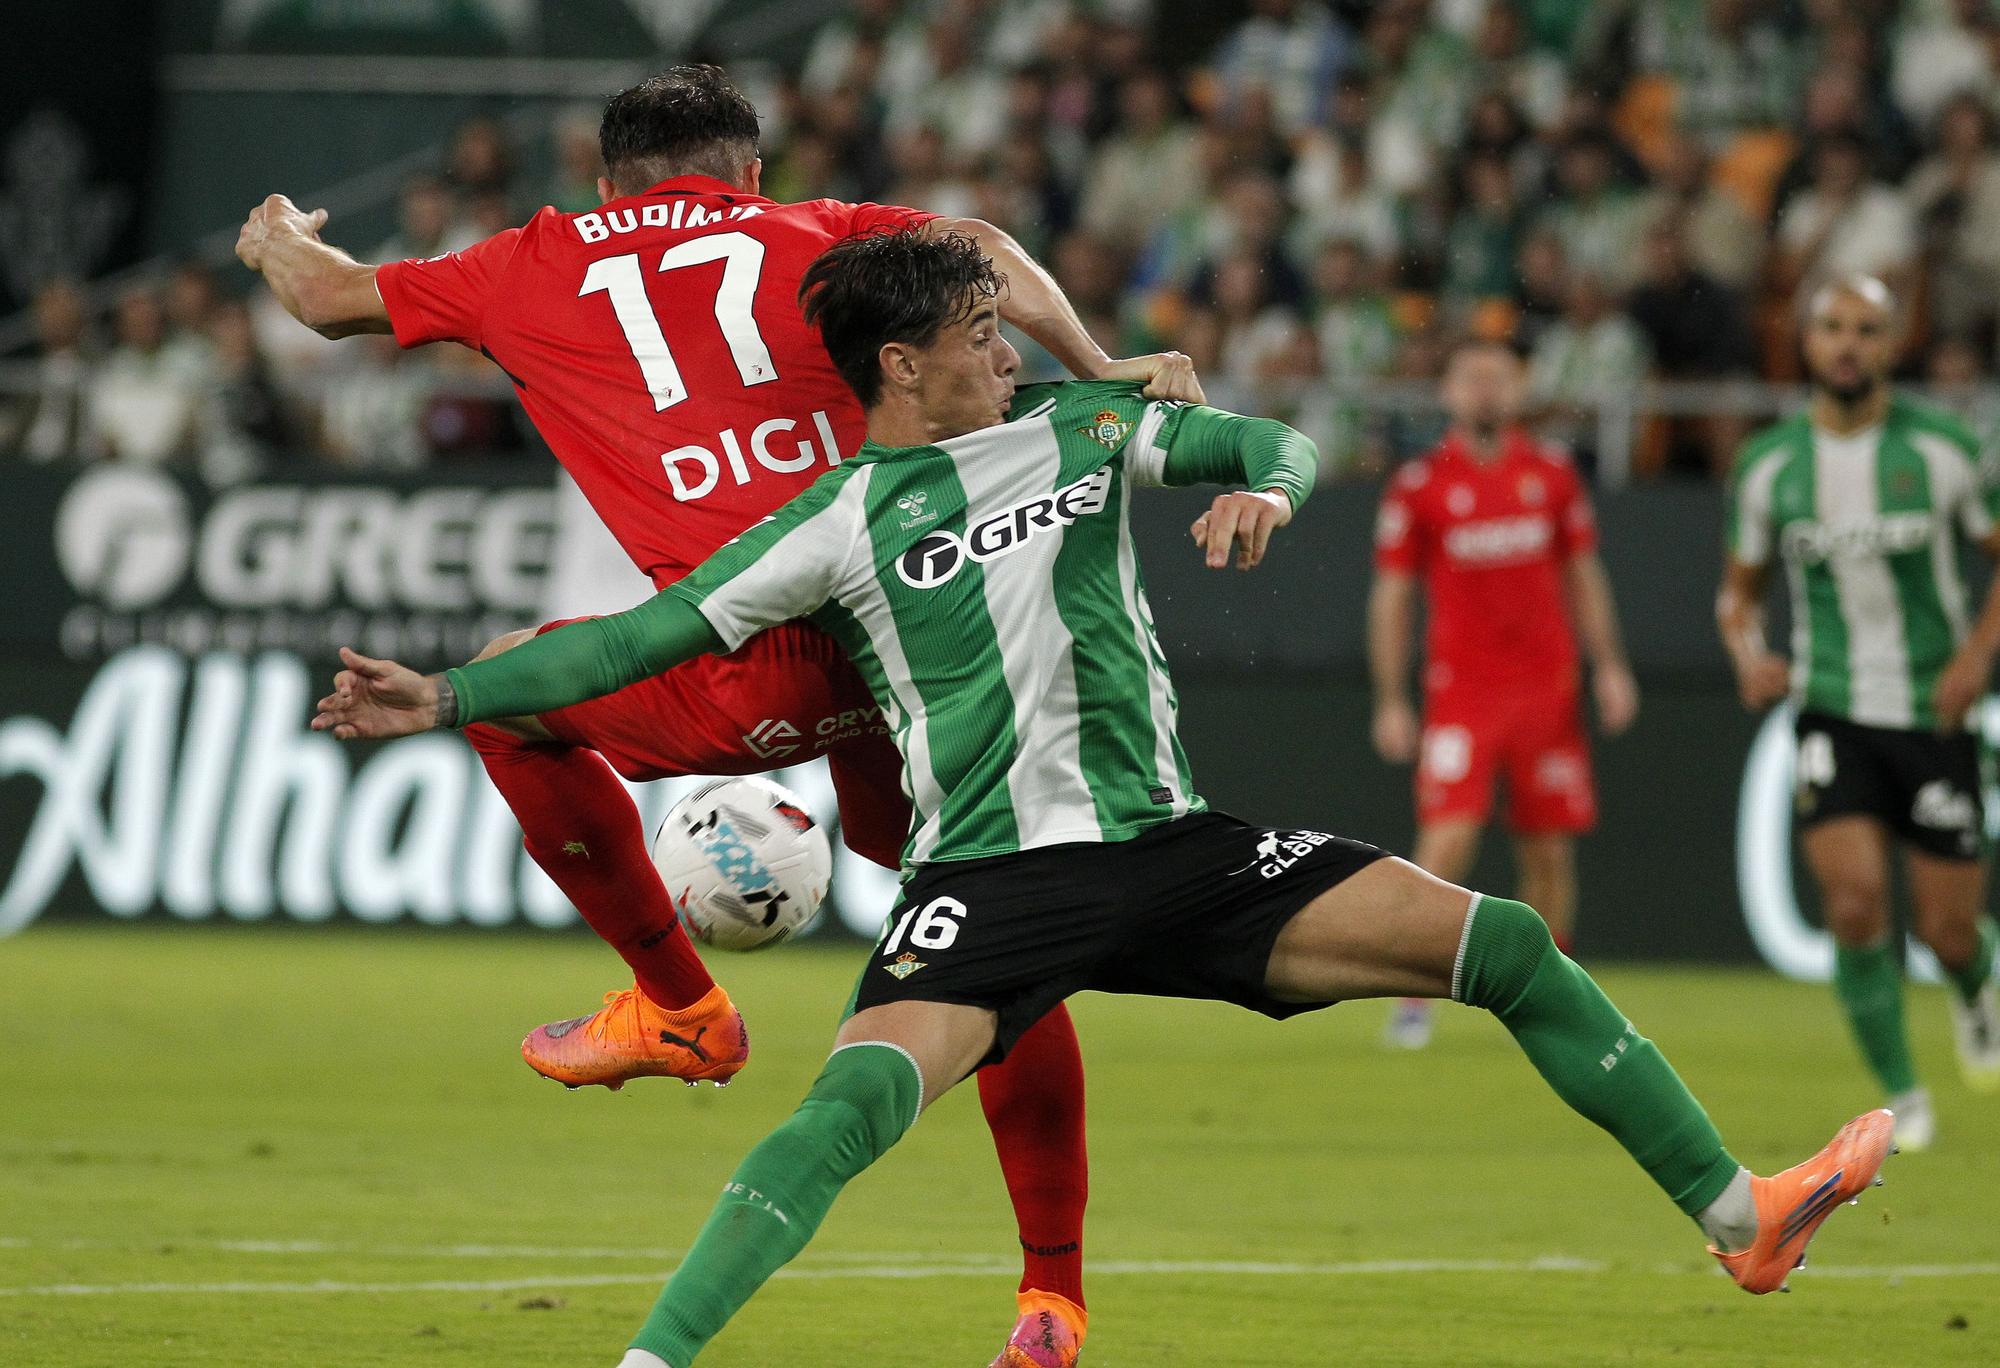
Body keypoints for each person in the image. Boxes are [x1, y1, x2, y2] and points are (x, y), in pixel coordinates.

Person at [315, 227, 1893, 1368]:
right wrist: (448, 697)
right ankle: (654, 1362)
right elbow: (639, 638)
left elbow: (1267, 434)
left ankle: (1738, 1213)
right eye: (983, 333)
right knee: (844, 1116)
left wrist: (1265, 495)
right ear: (903, 364)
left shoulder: (1077, 428)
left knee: (1505, 949)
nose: (1013, 349)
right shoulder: (835, 520)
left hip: (1179, 852)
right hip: (993, 882)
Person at [235, 64, 1204, 1366]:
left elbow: (324, 300)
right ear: (747, 172)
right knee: (995, 927)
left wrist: (280, 239)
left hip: (745, 668)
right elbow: (978, 250)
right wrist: (1095, 360)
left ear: (603, 182)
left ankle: (678, 1005)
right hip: (922, 641)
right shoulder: (815, 231)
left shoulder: (537, 257)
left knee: (515, 698)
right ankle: (1052, 1297)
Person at [1717, 275, 2000, 1151]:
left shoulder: (1947, 449)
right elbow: (1738, 594)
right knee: (1852, 906)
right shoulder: (1767, 466)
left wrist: (1975, 658)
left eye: (1867, 330)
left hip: (1934, 711)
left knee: (1950, 929)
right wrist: (1748, 653)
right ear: (1806, 342)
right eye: (1833, 328)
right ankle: (1901, 1092)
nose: (1848, 344)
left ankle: (1974, 985)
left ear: (1893, 342)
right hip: (1832, 706)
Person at [1369, 340, 1639, 1049]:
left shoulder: (1551, 475)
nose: (1485, 390)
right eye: (1470, 377)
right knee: (1447, 842)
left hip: (1546, 689)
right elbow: (1392, 598)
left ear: (1520, 389)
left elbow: (1585, 574)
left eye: (1498, 378)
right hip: (1461, 692)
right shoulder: (1420, 483)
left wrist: (1609, 666)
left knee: (1548, 852)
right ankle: (1413, 995)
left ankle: (1555, 997)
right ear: (1448, 392)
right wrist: (1391, 697)